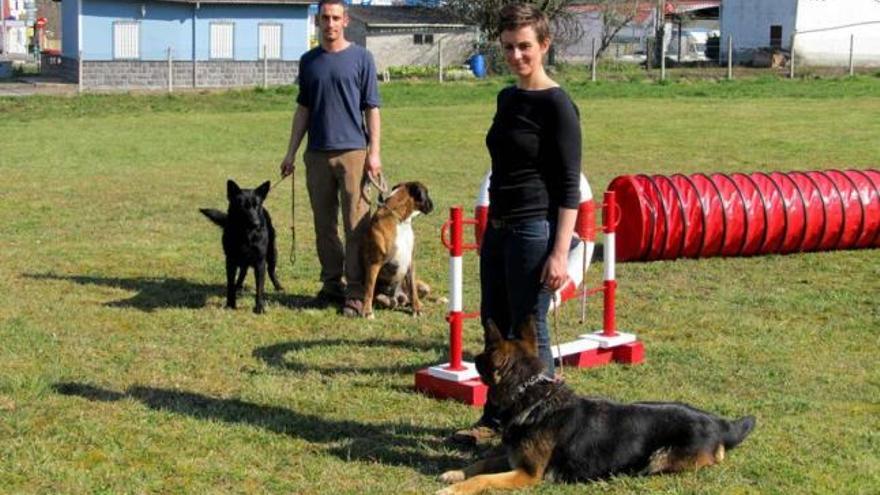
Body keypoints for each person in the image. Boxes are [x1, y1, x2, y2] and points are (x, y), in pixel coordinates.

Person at [452, 3, 582, 445]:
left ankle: (543, 428)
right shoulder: (506, 98)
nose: (516, 56)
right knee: (494, 322)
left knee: (529, 329)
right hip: (500, 227)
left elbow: (568, 187)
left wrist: (560, 252)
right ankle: (495, 421)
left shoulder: (559, 106)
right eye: (508, 47)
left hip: (533, 230)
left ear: (544, 45)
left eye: (524, 46)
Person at [279, 0, 382, 317]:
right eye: (324, 17)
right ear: (317, 22)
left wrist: (374, 153)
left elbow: (372, 109)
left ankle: (355, 291)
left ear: (346, 21)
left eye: (336, 17)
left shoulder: (362, 58)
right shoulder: (309, 61)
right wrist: (291, 152)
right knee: (324, 226)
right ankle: (331, 285)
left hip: (354, 152)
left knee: (356, 225)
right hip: (317, 155)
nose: (330, 23)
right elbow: (303, 110)